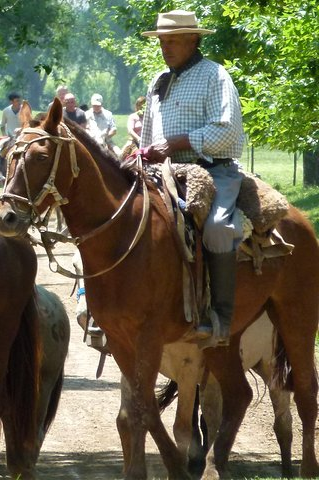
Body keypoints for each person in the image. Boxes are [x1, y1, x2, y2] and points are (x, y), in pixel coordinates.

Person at [140, 10, 245, 347]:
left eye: (172, 40)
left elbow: (227, 132)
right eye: (161, 41)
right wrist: (140, 156)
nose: (164, 47)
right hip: (163, 172)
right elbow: (147, 134)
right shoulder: (158, 79)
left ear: (194, 39)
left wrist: (179, 142)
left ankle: (220, 318)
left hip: (213, 171)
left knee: (217, 227)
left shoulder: (215, 76)